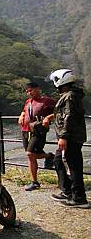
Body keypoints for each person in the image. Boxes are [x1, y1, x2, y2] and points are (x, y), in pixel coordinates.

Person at [44, 69, 88, 207]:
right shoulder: (71, 95)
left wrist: (63, 136)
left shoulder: (70, 96)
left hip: (70, 137)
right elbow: (64, 114)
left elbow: (69, 116)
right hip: (71, 136)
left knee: (73, 166)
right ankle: (67, 191)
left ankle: (79, 198)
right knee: (58, 161)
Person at [18, 82, 56, 191]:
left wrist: (48, 118)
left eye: (31, 90)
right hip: (25, 129)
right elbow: (24, 111)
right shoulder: (28, 101)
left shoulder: (47, 101)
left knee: (30, 153)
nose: (29, 93)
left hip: (38, 131)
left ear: (38, 89)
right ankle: (34, 181)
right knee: (30, 155)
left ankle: (49, 157)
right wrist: (21, 116)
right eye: (27, 91)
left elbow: (58, 112)